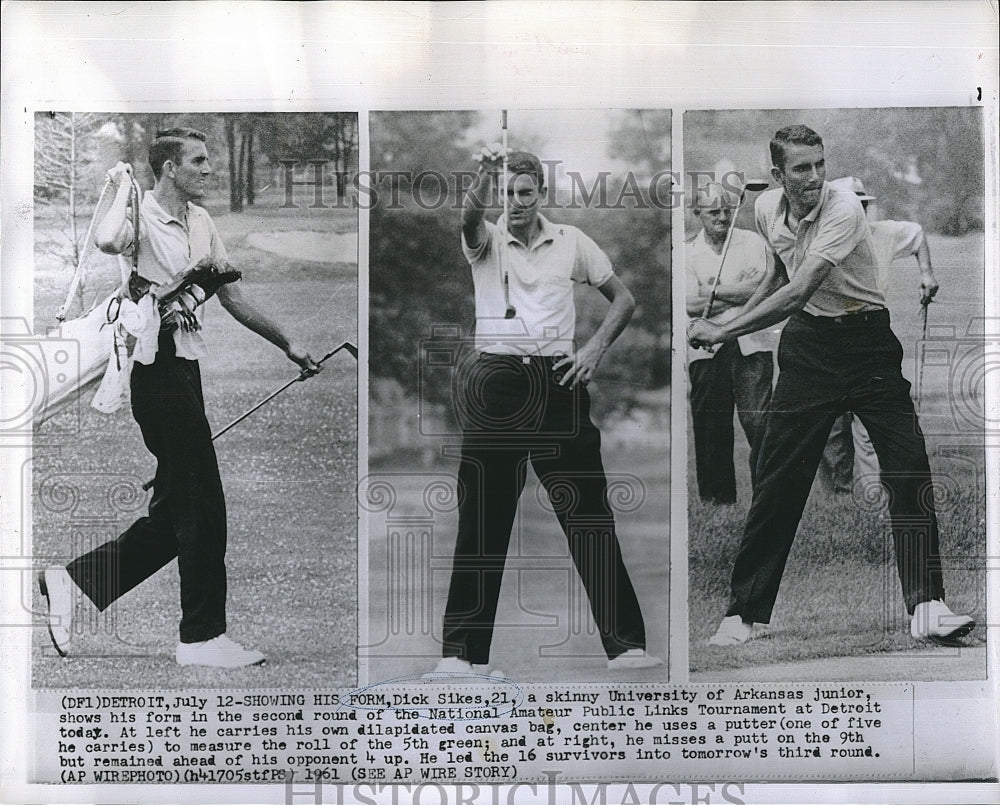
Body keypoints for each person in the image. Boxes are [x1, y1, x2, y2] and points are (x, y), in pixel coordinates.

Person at [38, 128, 320, 667]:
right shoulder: (138, 217)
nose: (209, 168)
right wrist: (123, 184)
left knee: (177, 514)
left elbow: (232, 294)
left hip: (186, 371)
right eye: (198, 160)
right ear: (169, 168)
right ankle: (202, 638)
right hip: (152, 372)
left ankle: (73, 582)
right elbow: (103, 241)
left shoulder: (203, 222)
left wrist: (289, 342)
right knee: (204, 506)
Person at [687, 125, 974, 645]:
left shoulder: (844, 209)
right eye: (802, 168)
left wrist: (724, 328)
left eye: (820, 164)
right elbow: (778, 274)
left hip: (868, 346)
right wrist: (726, 330)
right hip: (809, 351)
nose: (815, 176)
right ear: (778, 175)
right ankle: (744, 613)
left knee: (908, 465)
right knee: (778, 477)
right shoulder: (765, 208)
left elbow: (798, 291)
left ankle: (927, 607)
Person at [429, 148, 662, 675]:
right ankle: (461, 656)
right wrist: (484, 175)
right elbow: (467, 217)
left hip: (560, 381)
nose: (514, 202)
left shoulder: (572, 242)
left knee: (587, 514)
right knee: (483, 518)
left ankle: (625, 645)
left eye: (524, 192)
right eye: (507, 193)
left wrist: (594, 349)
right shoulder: (485, 240)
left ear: (541, 194)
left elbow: (622, 299)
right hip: (498, 383)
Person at [818, 176, 939, 490]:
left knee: (873, 421)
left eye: (862, 205)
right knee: (831, 423)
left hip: (870, 332)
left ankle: (874, 493)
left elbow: (916, 233)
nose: (856, 212)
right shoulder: (822, 238)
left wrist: (926, 273)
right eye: (848, 206)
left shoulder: (882, 233)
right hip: (825, 334)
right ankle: (839, 493)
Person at [686, 181, 775, 504]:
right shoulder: (687, 251)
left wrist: (713, 289)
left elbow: (765, 288)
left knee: (759, 422)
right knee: (711, 424)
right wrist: (737, 290)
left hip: (752, 343)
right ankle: (718, 501)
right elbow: (690, 305)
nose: (722, 217)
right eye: (713, 211)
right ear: (698, 213)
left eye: (726, 210)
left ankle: (767, 499)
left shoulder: (752, 242)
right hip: (705, 349)